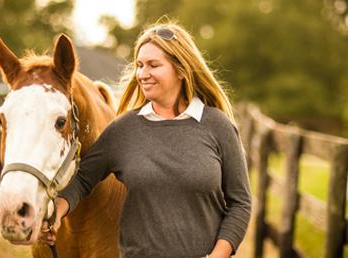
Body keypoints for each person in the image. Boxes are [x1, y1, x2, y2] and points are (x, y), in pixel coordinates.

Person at [41, 21, 251, 258]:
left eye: (153, 65)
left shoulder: (218, 126)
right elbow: (82, 179)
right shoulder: (124, 129)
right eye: (139, 65)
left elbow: (240, 203)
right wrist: (57, 212)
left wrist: (217, 256)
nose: (142, 74)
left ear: (181, 70)